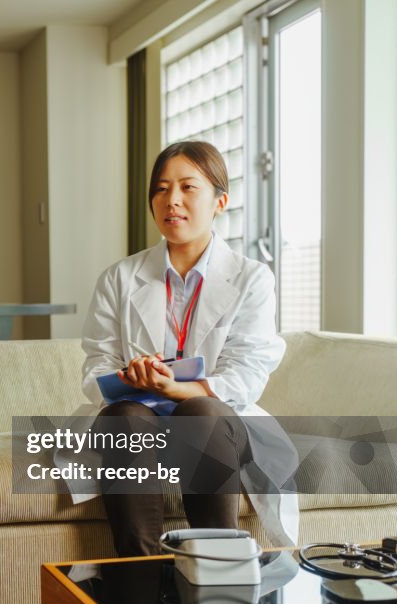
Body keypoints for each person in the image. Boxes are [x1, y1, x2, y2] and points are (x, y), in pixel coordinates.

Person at [80, 140, 298, 557]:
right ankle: (140, 576)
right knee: (123, 417)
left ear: (220, 200)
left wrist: (182, 390)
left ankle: (218, 566)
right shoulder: (119, 278)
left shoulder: (251, 278)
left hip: (212, 416)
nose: (171, 201)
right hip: (137, 416)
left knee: (200, 413)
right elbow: (97, 367)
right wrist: (130, 378)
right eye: (160, 189)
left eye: (187, 187)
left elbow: (248, 372)